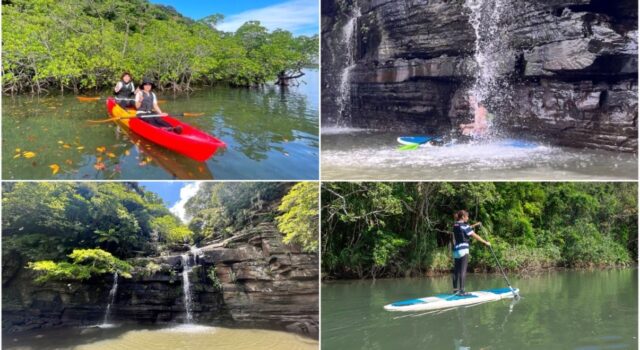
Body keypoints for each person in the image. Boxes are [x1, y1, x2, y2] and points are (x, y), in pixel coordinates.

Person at [452, 210, 491, 296]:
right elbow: (474, 235)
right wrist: (485, 242)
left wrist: (475, 225)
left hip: (456, 251)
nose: (468, 218)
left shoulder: (455, 225)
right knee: (463, 271)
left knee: (456, 271)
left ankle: (455, 290)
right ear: (463, 217)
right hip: (463, 250)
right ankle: (462, 291)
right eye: (467, 216)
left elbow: (467, 228)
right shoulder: (465, 226)